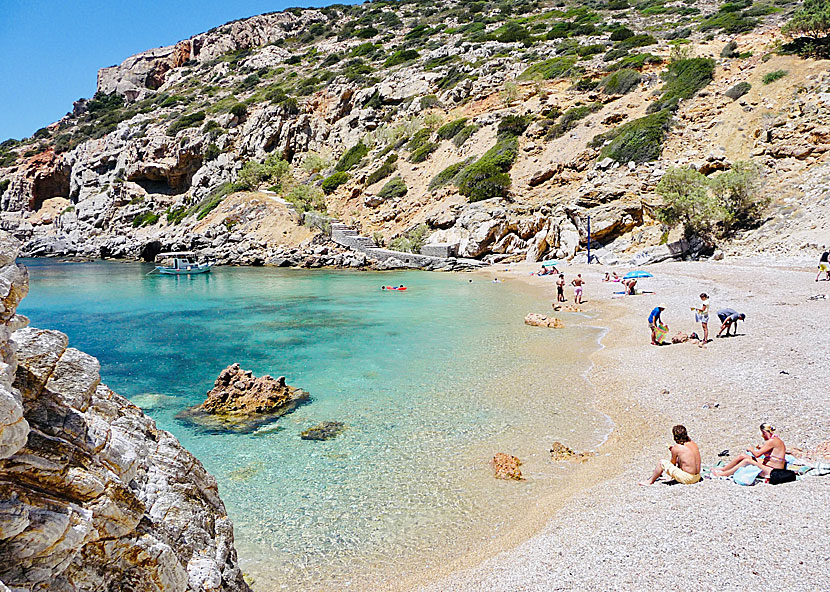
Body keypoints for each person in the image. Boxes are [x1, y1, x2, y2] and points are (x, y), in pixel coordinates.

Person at [712, 423, 786, 478]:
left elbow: (757, 455)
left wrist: (751, 450)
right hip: (768, 464)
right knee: (742, 456)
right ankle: (724, 469)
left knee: (747, 461)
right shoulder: (775, 439)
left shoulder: (772, 441)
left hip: (773, 470)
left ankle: (723, 474)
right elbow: (770, 453)